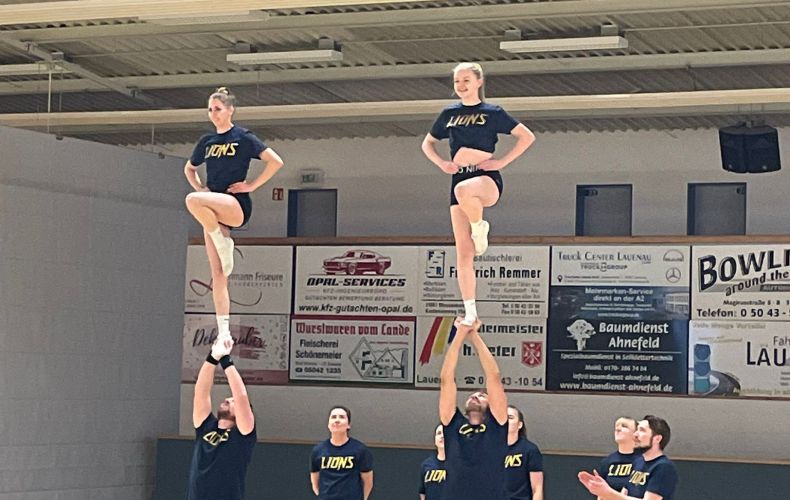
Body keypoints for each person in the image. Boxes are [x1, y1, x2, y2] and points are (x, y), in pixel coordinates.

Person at [421, 62, 535, 326]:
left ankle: (479, 226)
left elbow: (527, 136)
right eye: (457, 81)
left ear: (479, 82)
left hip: (485, 178)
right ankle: (470, 311)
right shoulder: (449, 113)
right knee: (463, 253)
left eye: (466, 80)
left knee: (464, 190)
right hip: (458, 177)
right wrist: (441, 163)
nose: (461, 85)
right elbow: (427, 143)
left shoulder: (492, 112)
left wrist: (502, 162)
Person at [184, 86, 284, 343]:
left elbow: (276, 161)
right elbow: (189, 169)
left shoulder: (242, 137)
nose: (213, 113)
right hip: (212, 209)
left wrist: (251, 185)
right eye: (210, 109)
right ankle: (225, 332)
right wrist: (202, 188)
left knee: (192, 200)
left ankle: (222, 239)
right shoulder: (206, 142)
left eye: (217, 109)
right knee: (218, 274)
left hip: (235, 204)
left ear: (230, 110)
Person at [439, 318, 509, 500]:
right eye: (473, 394)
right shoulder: (453, 424)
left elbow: (494, 377)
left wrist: (474, 336)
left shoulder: (497, 424)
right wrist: (460, 335)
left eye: (482, 395)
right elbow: (446, 380)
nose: (475, 396)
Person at [187, 337, 256, 500]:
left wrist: (226, 360)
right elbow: (201, 391)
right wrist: (213, 356)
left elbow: (241, 396)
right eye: (229, 399)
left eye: (232, 401)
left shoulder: (243, 435)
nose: (228, 399)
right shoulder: (205, 427)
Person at [578, 415, 678, 500]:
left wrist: (607, 492)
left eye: (642, 430)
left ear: (657, 439)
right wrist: (601, 492)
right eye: (637, 430)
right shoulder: (638, 463)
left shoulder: (663, 467)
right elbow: (623, 495)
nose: (636, 434)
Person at [310, 406, 374, 500]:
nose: (337, 420)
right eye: (333, 417)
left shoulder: (360, 450)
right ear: (328, 424)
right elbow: (315, 482)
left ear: (349, 425)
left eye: (341, 417)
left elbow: (368, 483)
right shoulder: (318, 450)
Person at [504, 405, 544, 500]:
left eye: (510, 417)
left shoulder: (530, 450)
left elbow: (537, 489)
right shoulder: (489, 449)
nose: (506, 421)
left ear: (519, 425)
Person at [595, 417, 640, 497]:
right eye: (616, 426)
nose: (618, 429)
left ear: (636, 434)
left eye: (624, 426)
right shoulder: (607, 461)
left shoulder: (644, 461)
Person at [418, 424, 446, 500]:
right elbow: (422, 492)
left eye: (445, 433)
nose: (442, 436)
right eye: (439, 433)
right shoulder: (426, 464)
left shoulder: (458, 464)